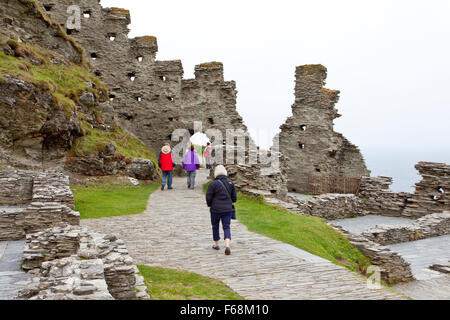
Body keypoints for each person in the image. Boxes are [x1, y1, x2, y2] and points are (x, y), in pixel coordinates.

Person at [205, 165, 237, 256]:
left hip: (215, 209)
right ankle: (227, 245)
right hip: (227, 209)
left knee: (215, 226)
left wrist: (210, 205)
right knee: (226, 226)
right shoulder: (230, 183)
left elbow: (208, 197)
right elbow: (234, 198)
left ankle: (216, 244)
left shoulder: (213, 184)